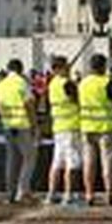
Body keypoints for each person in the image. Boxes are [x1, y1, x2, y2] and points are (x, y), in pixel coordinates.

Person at [78, 53, 112, 206]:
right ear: (104, 67)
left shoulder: (82, 83)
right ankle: (110, 194)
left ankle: (89, 194)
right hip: (105, 128)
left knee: (89, 162)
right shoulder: (108, 83)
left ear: (91, 67)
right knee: (108, 163)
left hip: (86, 127)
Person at [0, 59, 37, 204]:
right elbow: (29, 104)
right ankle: (23, 190)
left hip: (7, 124)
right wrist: (34, 125)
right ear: (20, 69)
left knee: (12, 160)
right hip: (22, 124)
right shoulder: (22, 83)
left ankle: (10, 193)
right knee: (29, 158)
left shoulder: (0, 85)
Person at [46, 55, 81, 206]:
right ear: (60, 68)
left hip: (58, 127)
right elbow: (77, 100)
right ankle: (68, 195)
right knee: (71, 164)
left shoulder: (52, 84)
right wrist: (75, 83)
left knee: (56, 163)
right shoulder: (68, 84)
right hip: (71, 126)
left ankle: (51, 194)